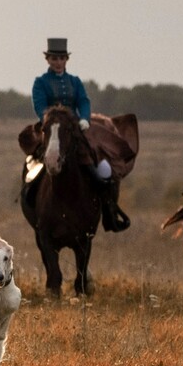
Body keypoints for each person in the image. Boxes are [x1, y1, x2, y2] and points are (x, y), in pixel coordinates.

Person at [30, 38, 131, 231]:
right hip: (50, 128)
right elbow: (40, 105)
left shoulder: (74, 81)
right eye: (54, 58)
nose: (57, 62)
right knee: (33, 168)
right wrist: (48, 121)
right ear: (48, 60)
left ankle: (109, 211)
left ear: (66, 60)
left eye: (61, 58)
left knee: (101, 166)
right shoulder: (40, 82)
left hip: (74, 129)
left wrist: (84, 117)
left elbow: (83, 101)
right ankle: (32, 203)